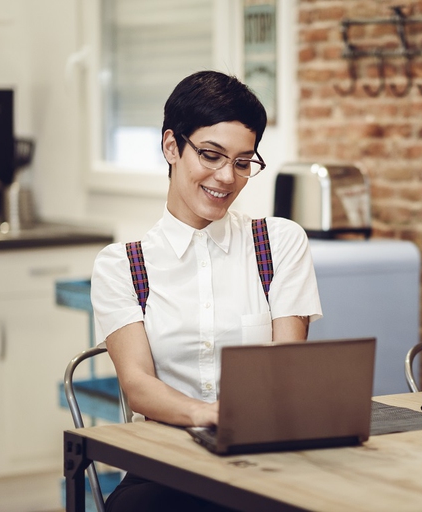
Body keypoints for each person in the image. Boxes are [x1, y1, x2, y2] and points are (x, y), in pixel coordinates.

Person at [90, 70, 322, 511]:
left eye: (241, 162)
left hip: (264, 456)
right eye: (212, 155)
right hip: (164, 461)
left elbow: (286, 366)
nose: (227, 177)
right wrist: (207, 415)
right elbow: (137, 385)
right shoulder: (122, 265)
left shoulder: (279, 242)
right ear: (171, 147)